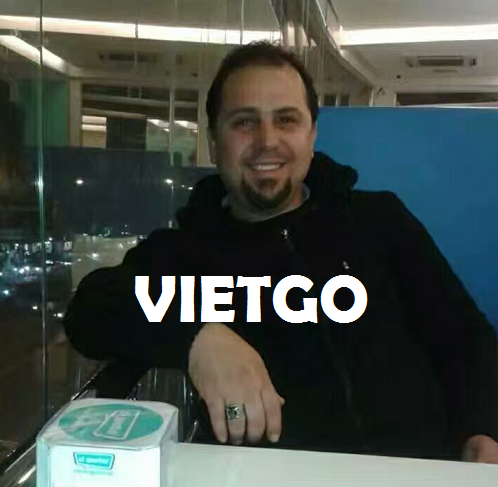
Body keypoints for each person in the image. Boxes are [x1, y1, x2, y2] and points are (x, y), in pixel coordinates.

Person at [64, 42, 498, 463]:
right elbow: (89, 311)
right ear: (214, 140)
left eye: (286, 119)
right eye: (244, 122)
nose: (266, 140)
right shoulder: (184, 254)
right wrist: (196, 338)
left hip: (419, 468)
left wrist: (482, 428)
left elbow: (465, 337)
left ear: (312, 134)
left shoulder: (378, 220)